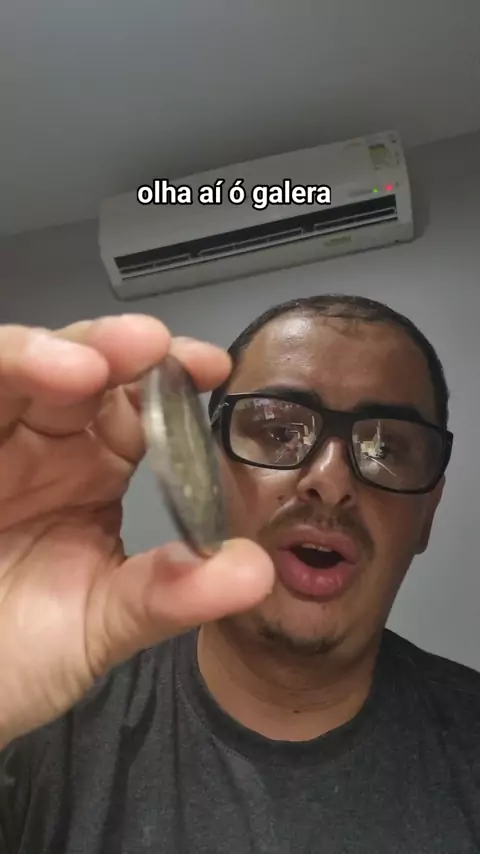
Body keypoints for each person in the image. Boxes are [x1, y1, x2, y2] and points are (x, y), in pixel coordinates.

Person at [0, 294, 479, 854]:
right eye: (279, 431)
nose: (331, 481)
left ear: (428, 515)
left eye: (386, 448)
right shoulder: (44, 724)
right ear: (207, 469)